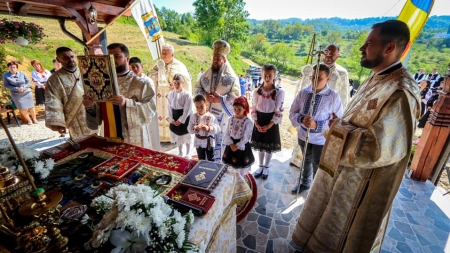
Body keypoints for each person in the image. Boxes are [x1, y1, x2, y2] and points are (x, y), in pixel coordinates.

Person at [292, 20, 420, 253]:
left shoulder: (400, 92)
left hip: (361, 183)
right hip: (341, 170)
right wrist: (338, 125)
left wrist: (336, 130)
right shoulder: (376, 78)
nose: (362, 48)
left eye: (369, 43)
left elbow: (382, 148)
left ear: (389, 48)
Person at [82, 43, 156, 147]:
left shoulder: (141, 83)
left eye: (116, 56)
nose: (112, 60)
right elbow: (99, 112)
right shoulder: (102, 83)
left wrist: (126, 103)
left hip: (134, 138)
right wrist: (90, 106)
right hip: (110, 135)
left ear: (127, 58)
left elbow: (150, 109)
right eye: (109, 57)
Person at [289, 63, 343, 194]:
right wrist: (301, 119)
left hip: (320, 140)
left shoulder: (333, 97)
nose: (314, 81)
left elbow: (338, 121)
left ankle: (315, 190)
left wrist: (317, 125)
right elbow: (292, 112)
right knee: (306, 160)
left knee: (318, 164)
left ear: (328, 79)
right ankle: (305, 183)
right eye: (313, 77)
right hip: (303, 136)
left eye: (319, 78)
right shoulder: (304, 93)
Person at [194, 40, 240, 162]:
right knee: (205, 144)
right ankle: (205, 164)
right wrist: (204, 95)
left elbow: (237, 98)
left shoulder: (232, 78)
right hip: (206, 115)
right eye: (213, 58)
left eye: (217, 59)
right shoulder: (206, 75)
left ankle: (217, 167)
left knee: (219, 147)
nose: (214, 61)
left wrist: (222, 99)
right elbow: (197, 88)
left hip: (222, 118)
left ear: (224, 60)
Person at [45, 47, 96, 139]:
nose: (70, 59)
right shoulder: (54, 80)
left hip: (94, 114)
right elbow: (53, 101)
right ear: (58, 60)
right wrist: (59, 123)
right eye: (66, 58)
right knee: (83, 145)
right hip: (74, 118)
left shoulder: (87, 72)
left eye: (72, 56)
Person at [149, 44, 191, 143]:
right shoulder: (158, 64)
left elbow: (186, 81)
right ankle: (161, 136)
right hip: (160, 99)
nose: (163, 54)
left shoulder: (179, 66)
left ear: (172, 54)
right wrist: (158, 74)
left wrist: (177, 85)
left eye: (165, 53)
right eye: (162, 52)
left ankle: (175, 137)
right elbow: (150, 76)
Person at [251, 64, 285, 180]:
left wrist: (269, 125)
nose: (267, 77)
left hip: (271, 122)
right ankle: (260, 166)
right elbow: (253, 108)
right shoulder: (256, 91)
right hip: (259, 120)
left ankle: (266, 167)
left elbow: (278, 111)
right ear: (262, 75)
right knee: (260, 145)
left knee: (269, 146)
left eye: (270, 75)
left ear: (274, 76)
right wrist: (256, 123)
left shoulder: (279, 92)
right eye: (265, 75)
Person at [128, 57, 160, 151]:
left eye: (136, 66)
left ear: (141, 67)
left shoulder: (147, 81)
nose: (134, 69)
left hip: (148, 112)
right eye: (132, 67)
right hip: (134, 114)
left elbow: (150, 100)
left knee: (151, 136)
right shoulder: (130, 81)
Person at [222, 96, 254, 178]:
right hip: (231, 145)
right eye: (235, 109)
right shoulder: (230, 119)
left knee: (240, 166)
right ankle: (231, 179)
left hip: (241, 146)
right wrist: (231, 144)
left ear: (244, 109)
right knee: (231, 166)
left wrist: (237, 146)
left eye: (239, 109)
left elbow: (246, 137)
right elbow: (227, 133)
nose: (236, 111)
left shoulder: (248, 122)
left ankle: (240, 182)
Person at [188, 94, 221, 161]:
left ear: (206, 104)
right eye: (197, 107)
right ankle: (202, 170)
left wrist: (209, 128)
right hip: (198, 142)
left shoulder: (211, 116)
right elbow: (189, 129)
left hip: (209, 143)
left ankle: (211, 170)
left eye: (201, 106)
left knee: (211, 159)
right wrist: (195, 128)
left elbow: (218, 128)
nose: (199, 109)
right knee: (201, 159)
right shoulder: (193, 116)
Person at [168, 74, 193, 158]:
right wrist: (172, 119)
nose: (176, 85)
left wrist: (181, 120)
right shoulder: (171, 95)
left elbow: (187, 109)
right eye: (175, 83)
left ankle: (188, 152)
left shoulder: (187, 95)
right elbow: (169, 108)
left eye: (178, 83)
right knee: (178, 136)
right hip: (175, 117)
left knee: (186, 135)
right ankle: (180, 152)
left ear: (183, 83)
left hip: (185, 117)